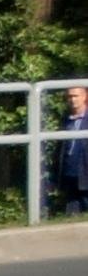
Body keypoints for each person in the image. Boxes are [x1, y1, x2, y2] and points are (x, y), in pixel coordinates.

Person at [56, 85, 88, 216]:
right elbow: (60, 149)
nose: (72, 100)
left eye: (76, 96)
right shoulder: (66, 120)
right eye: (69, 96)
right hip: (70, 173)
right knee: (72, 215)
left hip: (86, 173)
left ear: (85, 96)